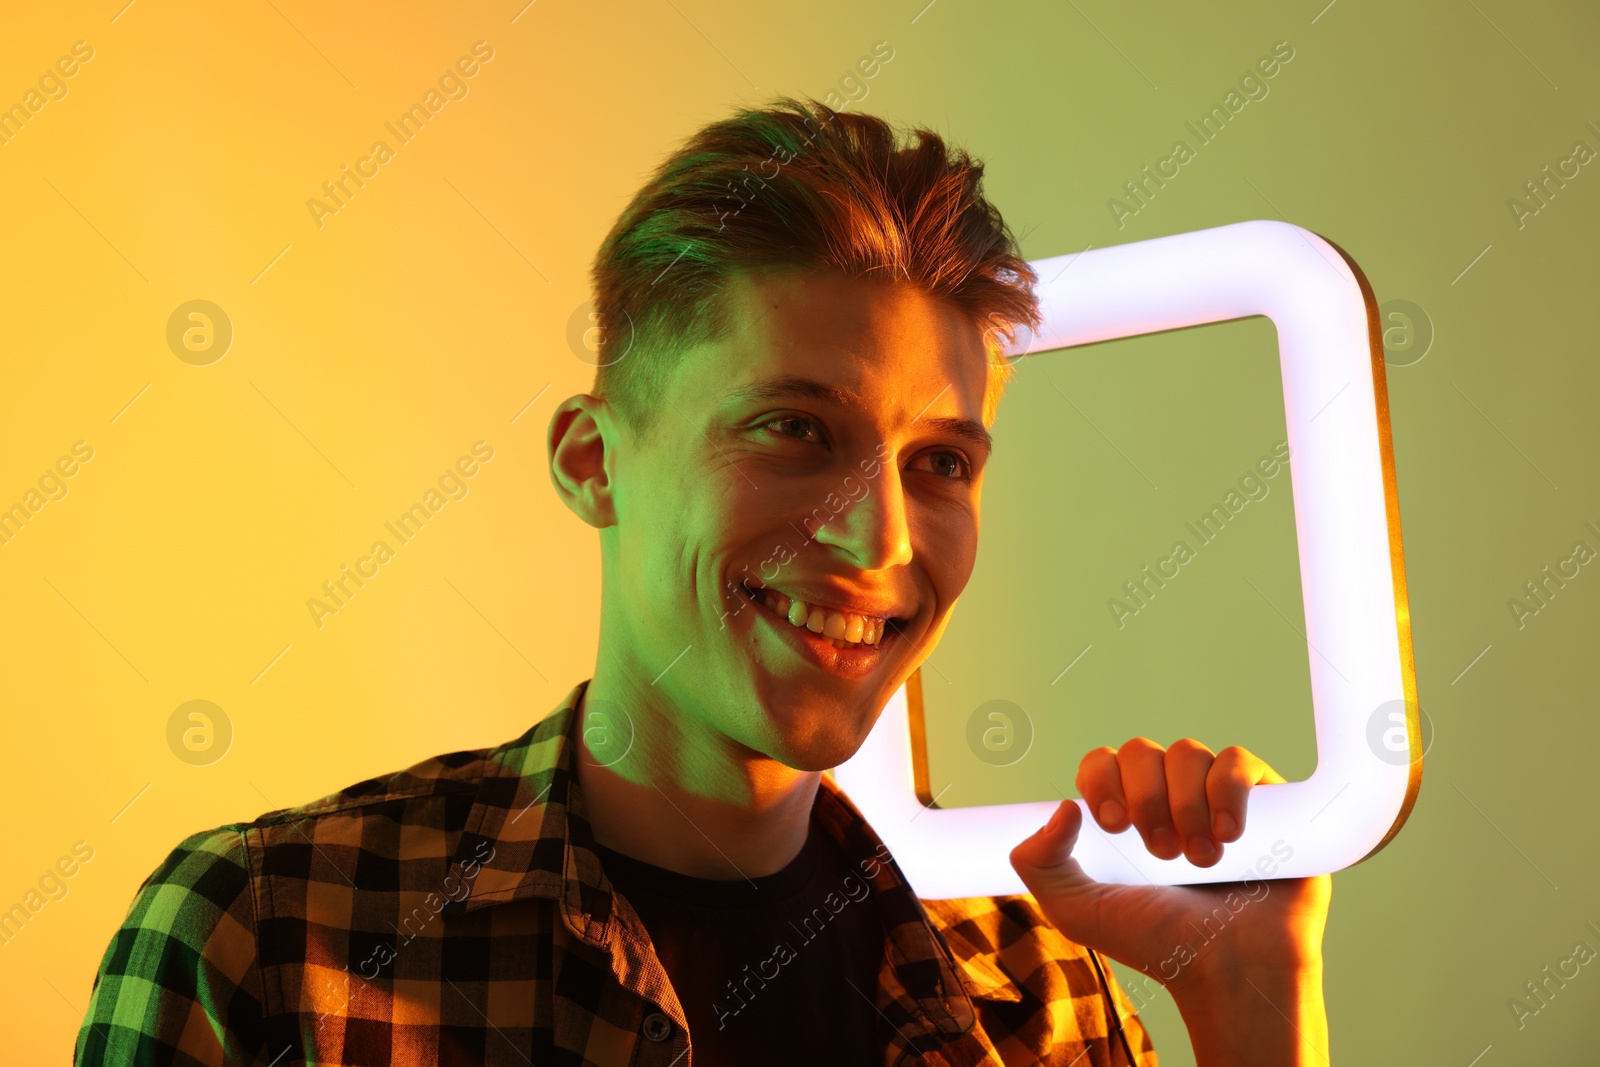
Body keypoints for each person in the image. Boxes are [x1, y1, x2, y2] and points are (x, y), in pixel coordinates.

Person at [75, 97, 1329, 1066]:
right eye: (795, 429)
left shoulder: (1032, 988)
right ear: (590, 458)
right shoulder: (276, 934)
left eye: (940, 460)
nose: (882, 536)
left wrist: (1247, 990)